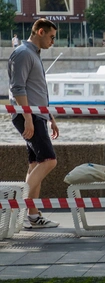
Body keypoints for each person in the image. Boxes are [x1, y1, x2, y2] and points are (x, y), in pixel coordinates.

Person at [8, 19, 60, 229]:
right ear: (40, 31)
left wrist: (50, 118)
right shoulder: (23, 53)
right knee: (49, 160)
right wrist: (29, 117)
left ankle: (32, 215)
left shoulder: (32, 54)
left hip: (37, 115)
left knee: (35, 165)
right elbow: (17, 88)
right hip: (29, 115)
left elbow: (38, 91)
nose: (53, 42)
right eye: (51, 37)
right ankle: (9, 206)